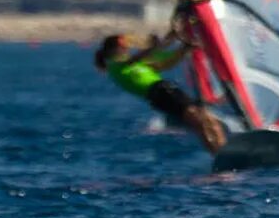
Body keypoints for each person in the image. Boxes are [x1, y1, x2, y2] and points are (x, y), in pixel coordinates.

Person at [93, 11, 227, 154]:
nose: (127, 47)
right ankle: (218, 153)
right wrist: (153, 47)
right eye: (123, 44)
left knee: (206, 119)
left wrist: (179, 41)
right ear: (113, 49)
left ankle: (223, 149)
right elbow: (139, 56)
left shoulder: (136, 64)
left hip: (166, 91)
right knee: (199, 122)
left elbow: (165, 61)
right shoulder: (115, 65)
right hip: (160, 94)